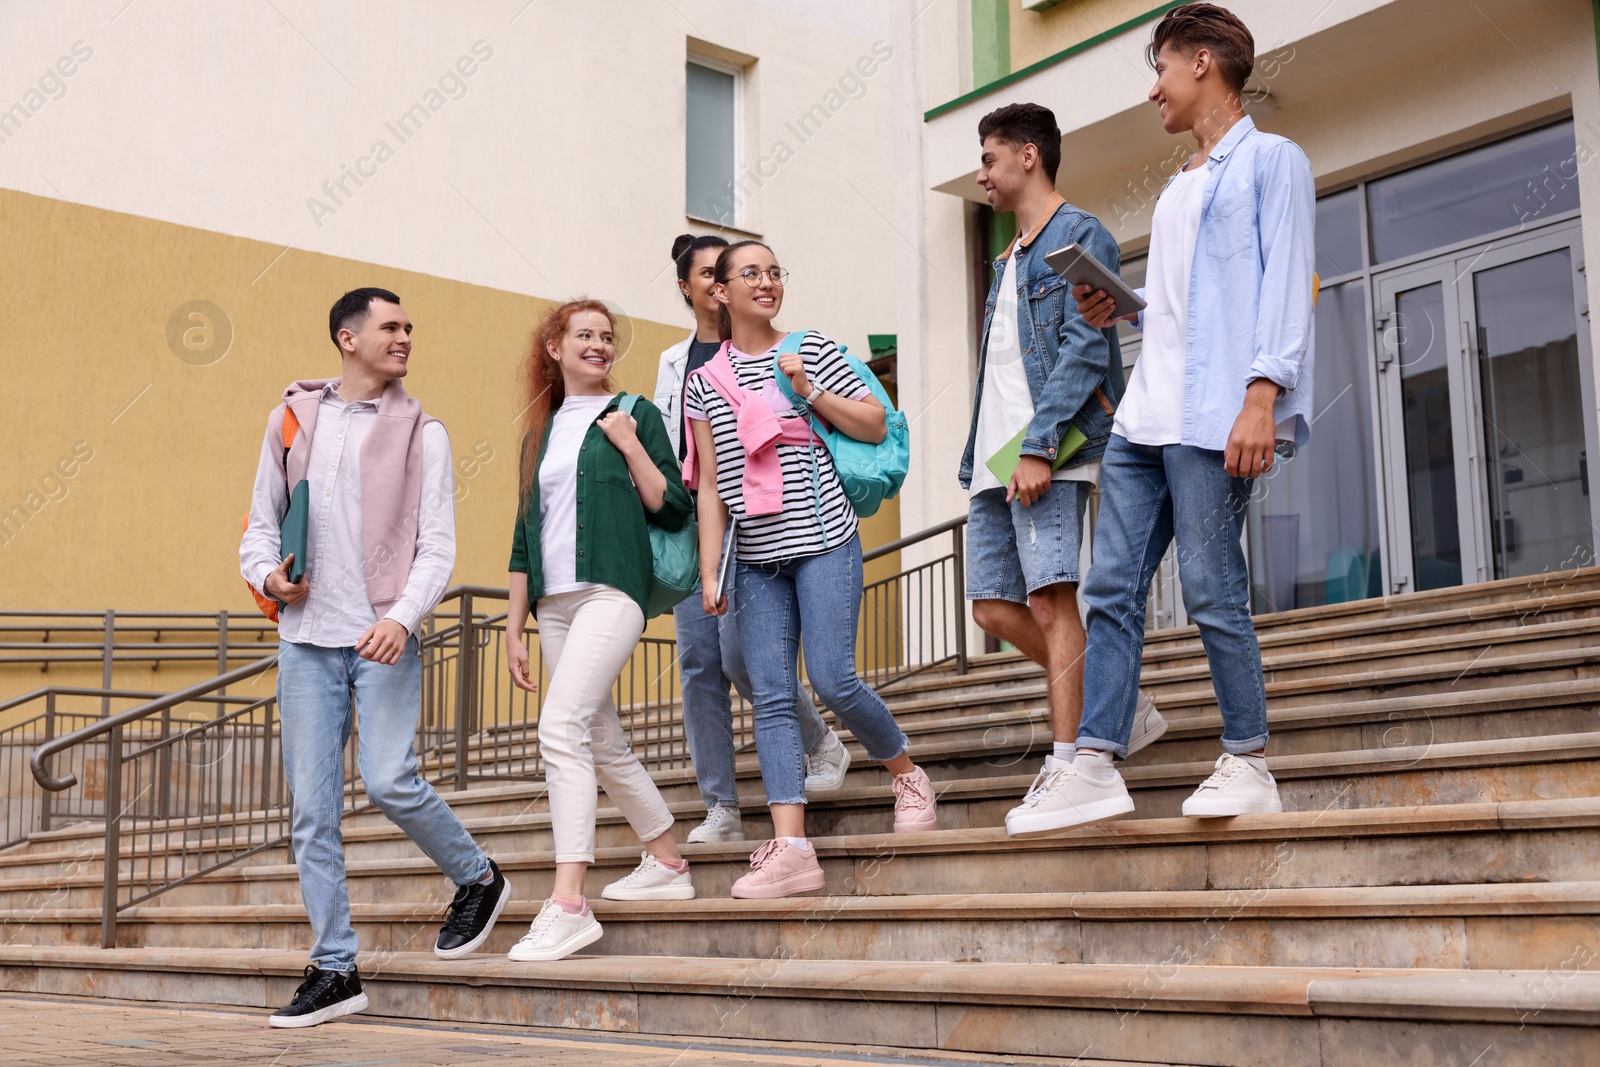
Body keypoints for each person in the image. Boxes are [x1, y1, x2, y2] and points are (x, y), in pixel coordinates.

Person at [1058, 2, 1316, 826]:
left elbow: (1285, 285)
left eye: (1159, 70)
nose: (1152, 93)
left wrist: (1262, 396)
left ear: (1202, 61)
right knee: (1109, 587)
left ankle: (1249, 759)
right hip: (1145, 417)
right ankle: (1095, 758)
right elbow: (1180, 310)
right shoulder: (1177, 188)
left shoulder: (1274, 162)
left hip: (1214, 415)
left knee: (1211, 588)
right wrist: (1119, 309)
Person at [241, 287, 511, 1028]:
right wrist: (269, 577)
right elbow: (259, 526)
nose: (404, 338)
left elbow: (438, 545)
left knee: (390, 777)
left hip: (381, 634)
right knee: (311, 813)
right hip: (305, 641)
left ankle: (478, 875)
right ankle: (335, 966)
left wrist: (401, 616)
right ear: (347, 337)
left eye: (409, 328)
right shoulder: (292, 418)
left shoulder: (425, 434)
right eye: (391, 327)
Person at [684, 241, 937, 900]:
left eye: (774, 272)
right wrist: (710, 569)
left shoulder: (810, 347)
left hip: (825, 539)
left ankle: (907, 773)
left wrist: (810, 391)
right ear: (720, 292)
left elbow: (876, 423)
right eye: (751, 274)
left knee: (832, 675)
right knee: (770, 695)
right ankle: (792, 848)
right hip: (756, 559)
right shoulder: (704, 382)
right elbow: (710, 485)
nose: (766, 282)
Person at [953, 103, 1171, 838]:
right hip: (995, 453)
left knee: (1051, 600)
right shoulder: (1006, 256)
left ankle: (1071, 755)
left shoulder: (1081, 234)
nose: (982, 174)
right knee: (989, 606)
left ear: (1026, 155)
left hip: (1047, 443)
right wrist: (998, 452)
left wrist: (1042, 444)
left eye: (989, 159)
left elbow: (1085, 349)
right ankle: (1117, 696)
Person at [503, 298, 696, 962]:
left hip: (613, 592)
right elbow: (525, 535)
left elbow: (671, 502)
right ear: (554, 346)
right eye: (584, 334)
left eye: (607, 336)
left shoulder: (633, 412)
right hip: (553, 605)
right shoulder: (541, 432)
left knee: (559, 729)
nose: (599, 344)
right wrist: (513, 626)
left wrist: (630, 442)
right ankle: (668, 860)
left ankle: (569, 902)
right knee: (598, 737)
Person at [654, 234, 850, 845]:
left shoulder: (782, 348)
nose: (724, 282)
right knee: (698, 664)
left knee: (743, 656)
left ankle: (817, 741)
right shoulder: (675, 362)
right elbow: (682, 454)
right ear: (690, 287)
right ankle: (722, 807)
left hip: (765, 522)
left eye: (729, 271)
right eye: (710, 274)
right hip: (698, 521)